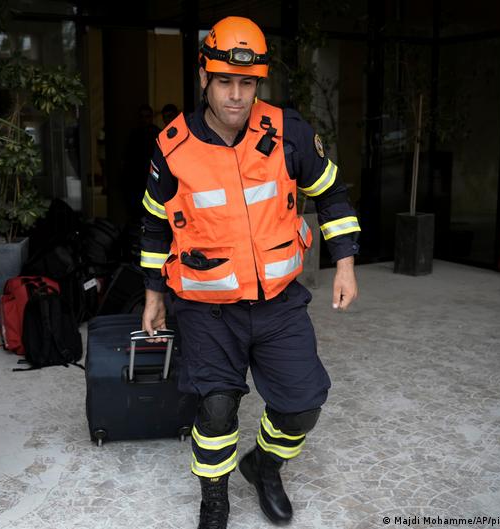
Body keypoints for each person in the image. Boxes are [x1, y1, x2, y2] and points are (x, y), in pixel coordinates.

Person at [139, 17, 361, 529]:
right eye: (224, 82)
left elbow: (331, 193)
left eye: (247, 84)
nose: (236, 96)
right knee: (215, 412)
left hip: (279, 303)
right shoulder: (171, 147)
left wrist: (345, 262)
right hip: (205, 308)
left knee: (303, 404)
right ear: (203, 78)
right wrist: (153, 293)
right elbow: (153, 226)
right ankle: (214, 498)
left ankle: (264, 463)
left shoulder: (289, 131)